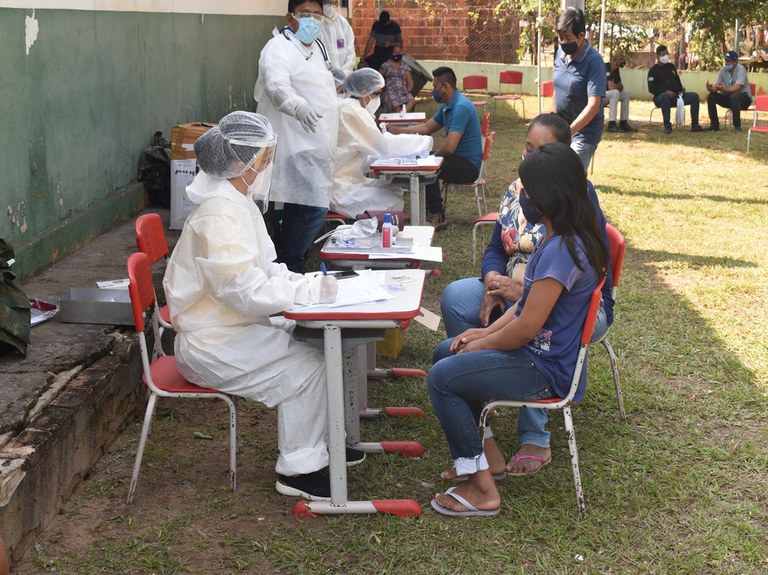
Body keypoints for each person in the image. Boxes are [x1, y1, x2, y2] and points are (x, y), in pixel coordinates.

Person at [163, 111, 365, 501]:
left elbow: (266, 269)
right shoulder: (220, 213)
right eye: (265, 156)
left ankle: (326, 447)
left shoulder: (237, 201)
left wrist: (305, 283)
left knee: (317, 344)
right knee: (307, 366)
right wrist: (305, 294)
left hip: (231, 328)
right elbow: (242, 290)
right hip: (211, 343)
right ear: (244, 163)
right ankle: (299, 471)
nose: (268, 164)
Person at [428, 143, 607, 516]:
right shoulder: (555, 238)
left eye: (528, 191)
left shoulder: (562, 250)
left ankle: (482, 489)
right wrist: (481, 335)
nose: (521, 197)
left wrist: (482, 345)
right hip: (534, 357)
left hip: (544, 369)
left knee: (443, 377)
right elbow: (524, 306)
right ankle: (486, 458)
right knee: (446, 352)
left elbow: (526, 327)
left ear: (547, 199)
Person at [253, 0, 339, 272]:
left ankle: (284, 264)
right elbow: (276, 85)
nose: (312, 20)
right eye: (305, 14)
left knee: (296, 206)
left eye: (317, 15)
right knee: (313, 206)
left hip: (317, 141)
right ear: (290, 18)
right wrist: (297, 106)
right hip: (293, 143)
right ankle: (291, 262)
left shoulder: (317, 48)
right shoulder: (278, 47)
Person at [385, 66, 483, 230]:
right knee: (424, 161)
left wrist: (432, 158)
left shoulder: (461, 107)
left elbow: (449, 147)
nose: (433, 91)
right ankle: (425, 210)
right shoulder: (447, 106)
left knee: (429, 167)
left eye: (435, 87)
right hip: (456, 159)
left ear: (445, 87)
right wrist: (397, 130)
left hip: (468, 166)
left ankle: (437, 215)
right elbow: (426, 128)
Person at [332, 69, 432, 218]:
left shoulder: (347, 106)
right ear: (364, 92)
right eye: (377, 93)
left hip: (346, 180)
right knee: (392, 200)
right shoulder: (350, 110)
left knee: (394, 189)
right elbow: (383, 145)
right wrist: (422, 142)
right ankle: (382, 230)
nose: (378, 99)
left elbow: (357, 152)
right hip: (339, 188)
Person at [552, 7, 606, 172]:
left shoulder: (594, 61)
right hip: (562, 128)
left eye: (568, 38)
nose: (563, 42)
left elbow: (593, 106)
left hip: (584, 132)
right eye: (560, 37)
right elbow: (556, 89)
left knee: (569, 176)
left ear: (581, 35)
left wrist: (569, 132)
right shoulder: (560, 54)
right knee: (553, 172)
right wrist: (554, 122)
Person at [647, 45, 703, 134]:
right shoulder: (653, 70)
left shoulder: (671, 67)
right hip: (661, 98)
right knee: (664, 97)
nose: (665, 56)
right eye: (663, 54)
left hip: (677, 96)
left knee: (694, 96)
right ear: (657, 56)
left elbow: (677, 81)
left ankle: (695, 125)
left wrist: (681, 89)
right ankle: (667, 126)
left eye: (666, 53)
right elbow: (651, 88)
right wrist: (665, 92)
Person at [706, 50, 752, 132]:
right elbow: (716, 86)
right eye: (725, 60)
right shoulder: (723, 70)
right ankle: (714, 125)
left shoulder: (741, 70)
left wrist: (724, 90)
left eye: (728, 61)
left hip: (744, 98)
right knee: (711, 97)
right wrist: (711, 89)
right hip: (729, 97)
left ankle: (737, 126)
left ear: (735, 62)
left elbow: (737, 88)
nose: (726, 63)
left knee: (735, 96)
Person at [319, 0, 356, 79]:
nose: (331, 7)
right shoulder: (316, 24)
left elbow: (351, 53)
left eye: (334, 3)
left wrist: (344, 74)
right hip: (323, 79)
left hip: (344, 78)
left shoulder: (343, 23)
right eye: (327, 3)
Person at [603, 52, 637, 133]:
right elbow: (611, 87)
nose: (622, 61)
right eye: (620, 59)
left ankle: (623, 123)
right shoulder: (606, 67)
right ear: (614, 59)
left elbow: (621, 86)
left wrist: (615, 86)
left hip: (608, 94)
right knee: (615, 93)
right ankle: (612, 123)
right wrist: (616, 86)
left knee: (625, 93)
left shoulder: (616, 70)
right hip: (599, 96)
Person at [379, 45, 416, 113]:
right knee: (396, 105)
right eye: (395, 52)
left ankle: (401, 115)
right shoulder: (385, 66)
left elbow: (410, 81)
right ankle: (400, 116)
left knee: (412, 100)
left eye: (399, 52)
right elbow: (378, 78)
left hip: (403, 92)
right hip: (390, 93)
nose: (397, 54)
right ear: (391, 53)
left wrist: (408, 90)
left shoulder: (405, 67)